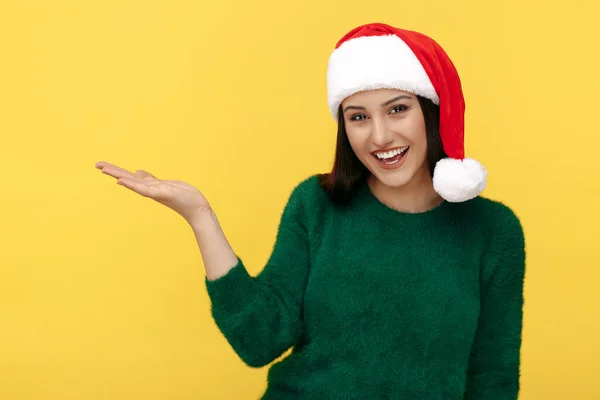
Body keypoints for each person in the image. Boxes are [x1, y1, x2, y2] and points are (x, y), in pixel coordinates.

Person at [96, 22, 526, 400]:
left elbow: (494, 377)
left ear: (431, 111)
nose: (379, 136)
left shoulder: (493, 231)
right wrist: (200, 215)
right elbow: (259, 339)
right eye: (358, 117)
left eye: (398, 109)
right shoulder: (316, 204)